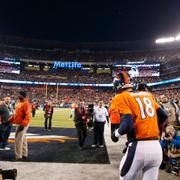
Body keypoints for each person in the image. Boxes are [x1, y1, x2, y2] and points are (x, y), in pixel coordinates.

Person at [111, 71, 168, 180]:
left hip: (138, 147)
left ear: (117, 85)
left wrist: (115, 134)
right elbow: (164, 115)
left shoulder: (120, 97)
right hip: (156, 147)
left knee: (125, 177)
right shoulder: (147, 95)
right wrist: (152, 127)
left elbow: (127, 125)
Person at [9, 91, 31, 161]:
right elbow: (16, 115)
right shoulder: (19, 103)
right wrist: (9, 121)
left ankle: (18, 156)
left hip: (22, 124)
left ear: (22, 96)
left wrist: (23, 124)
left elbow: (28, 116)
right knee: (23, 139)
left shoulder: (26, 104)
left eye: (19, 95)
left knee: (18, 139)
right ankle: (24, 154)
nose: (18, 96)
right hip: (19, 123)